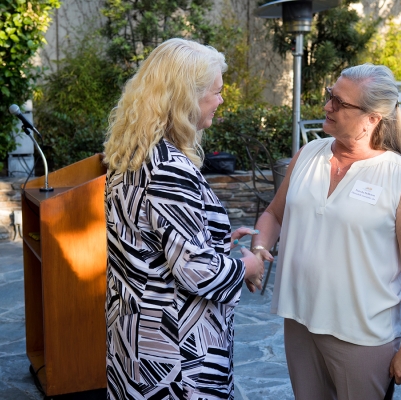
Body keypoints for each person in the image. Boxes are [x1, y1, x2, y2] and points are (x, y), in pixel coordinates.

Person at [250, 64, 401, 399]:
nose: (327, 106)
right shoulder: (307, 155)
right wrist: (260, 250)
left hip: (361, 335)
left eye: (340, 102)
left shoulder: (400, 178)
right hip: (300, 320)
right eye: (330, 95)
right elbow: (274, 214)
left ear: (372, 118)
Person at [103, 38, 265, 400]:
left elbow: (149, 243)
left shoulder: (131, 153)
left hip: (135, 333)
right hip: (175, 350)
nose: (221, 100)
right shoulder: (169, 168)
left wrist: (216, 238)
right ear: (185, 98)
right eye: (216, 92)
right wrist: (247, 264)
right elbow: (197, 272)